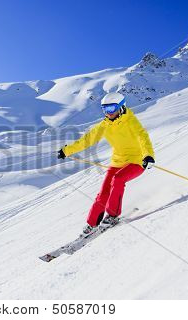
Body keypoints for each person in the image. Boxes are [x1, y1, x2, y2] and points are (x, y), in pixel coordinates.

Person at [57, 92, 155, 235]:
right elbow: (87, 140)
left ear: (121, 107)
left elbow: (143, 137)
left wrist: (148, 155)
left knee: (118, 179)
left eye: (111, 109)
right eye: (105, 110)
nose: (108, 113)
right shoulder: (104, 125)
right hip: (117, 162)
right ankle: (92, 224)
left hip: (137, 161)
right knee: (103, 193)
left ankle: (113, 216)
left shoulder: (131, 122)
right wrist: (67, 151)